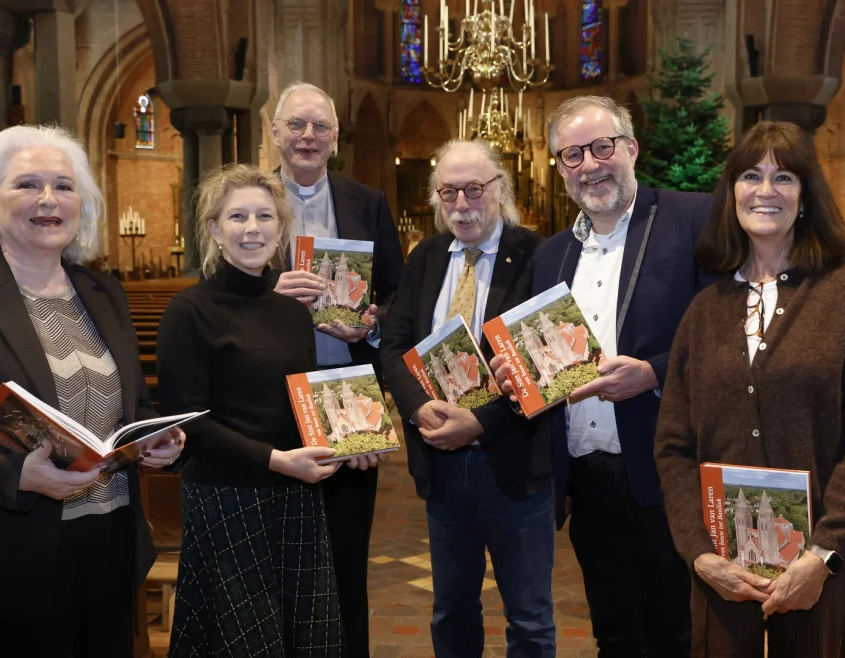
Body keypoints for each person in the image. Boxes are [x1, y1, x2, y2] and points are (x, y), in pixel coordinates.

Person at [0, 124, 186, 658]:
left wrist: (154, 441)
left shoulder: (104, 292)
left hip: (106, 551)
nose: (48, 199)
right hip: (1, 555)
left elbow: (132, 405)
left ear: (82, 207)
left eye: (64, 186)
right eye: (27, 184)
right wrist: (16, 474)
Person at [653, 121, 845, 657]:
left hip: (818, 569)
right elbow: (673, 445)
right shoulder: (705, 309)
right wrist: (698, 553)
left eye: (783, 176)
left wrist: (825, 554)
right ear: (732, 194)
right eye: (751, 176)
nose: (765, 190)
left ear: (806, 198)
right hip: (722, 566)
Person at [494, 94, 712, 657]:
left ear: (631, 149)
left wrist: (654, 374)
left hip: (666, 469)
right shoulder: (552, 255)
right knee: (613, 633)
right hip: (587, 477)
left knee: (675, 634)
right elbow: (548, 360)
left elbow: (731, 332)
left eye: (602, 147)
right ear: (560, 168)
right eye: (572, 155)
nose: (589, 165)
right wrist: (516, 373)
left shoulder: (691, 218)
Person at [156, 164, 349, 657]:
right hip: (227, 498)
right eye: (237, 216)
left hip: (295, 497)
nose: (252, 228)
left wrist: (347, 442)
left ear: (281, 229)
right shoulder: (189, 311)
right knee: (242, 640)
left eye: (265, 216)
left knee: (305, 635)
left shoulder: (290, 311)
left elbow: (301, 407)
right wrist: (277, 460)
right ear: (215, 230)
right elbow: (188, 419)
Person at [380, 140, 551, 658]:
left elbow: (549, 364)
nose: (461, 204)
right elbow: (394, 346)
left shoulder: (538, 255)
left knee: (529, 618)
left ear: (500, 190)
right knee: (451, 609)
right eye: (448, 192)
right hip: (443, 465)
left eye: (474, 189)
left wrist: (481, 423)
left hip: (515, 464)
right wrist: (415, 407)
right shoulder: (426, 257)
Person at [268, 81, 405, 656]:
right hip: (269, 400)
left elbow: (397, 296)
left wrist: (369, 327)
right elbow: (217, 294)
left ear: (335, 138)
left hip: (347, 393)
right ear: (273, 133)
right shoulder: (249, 201)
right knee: (277, 559)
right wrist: (270, 294)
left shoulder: (366, 201)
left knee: (347, 555)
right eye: (296, 125)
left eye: (320, 126)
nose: (307, 136)